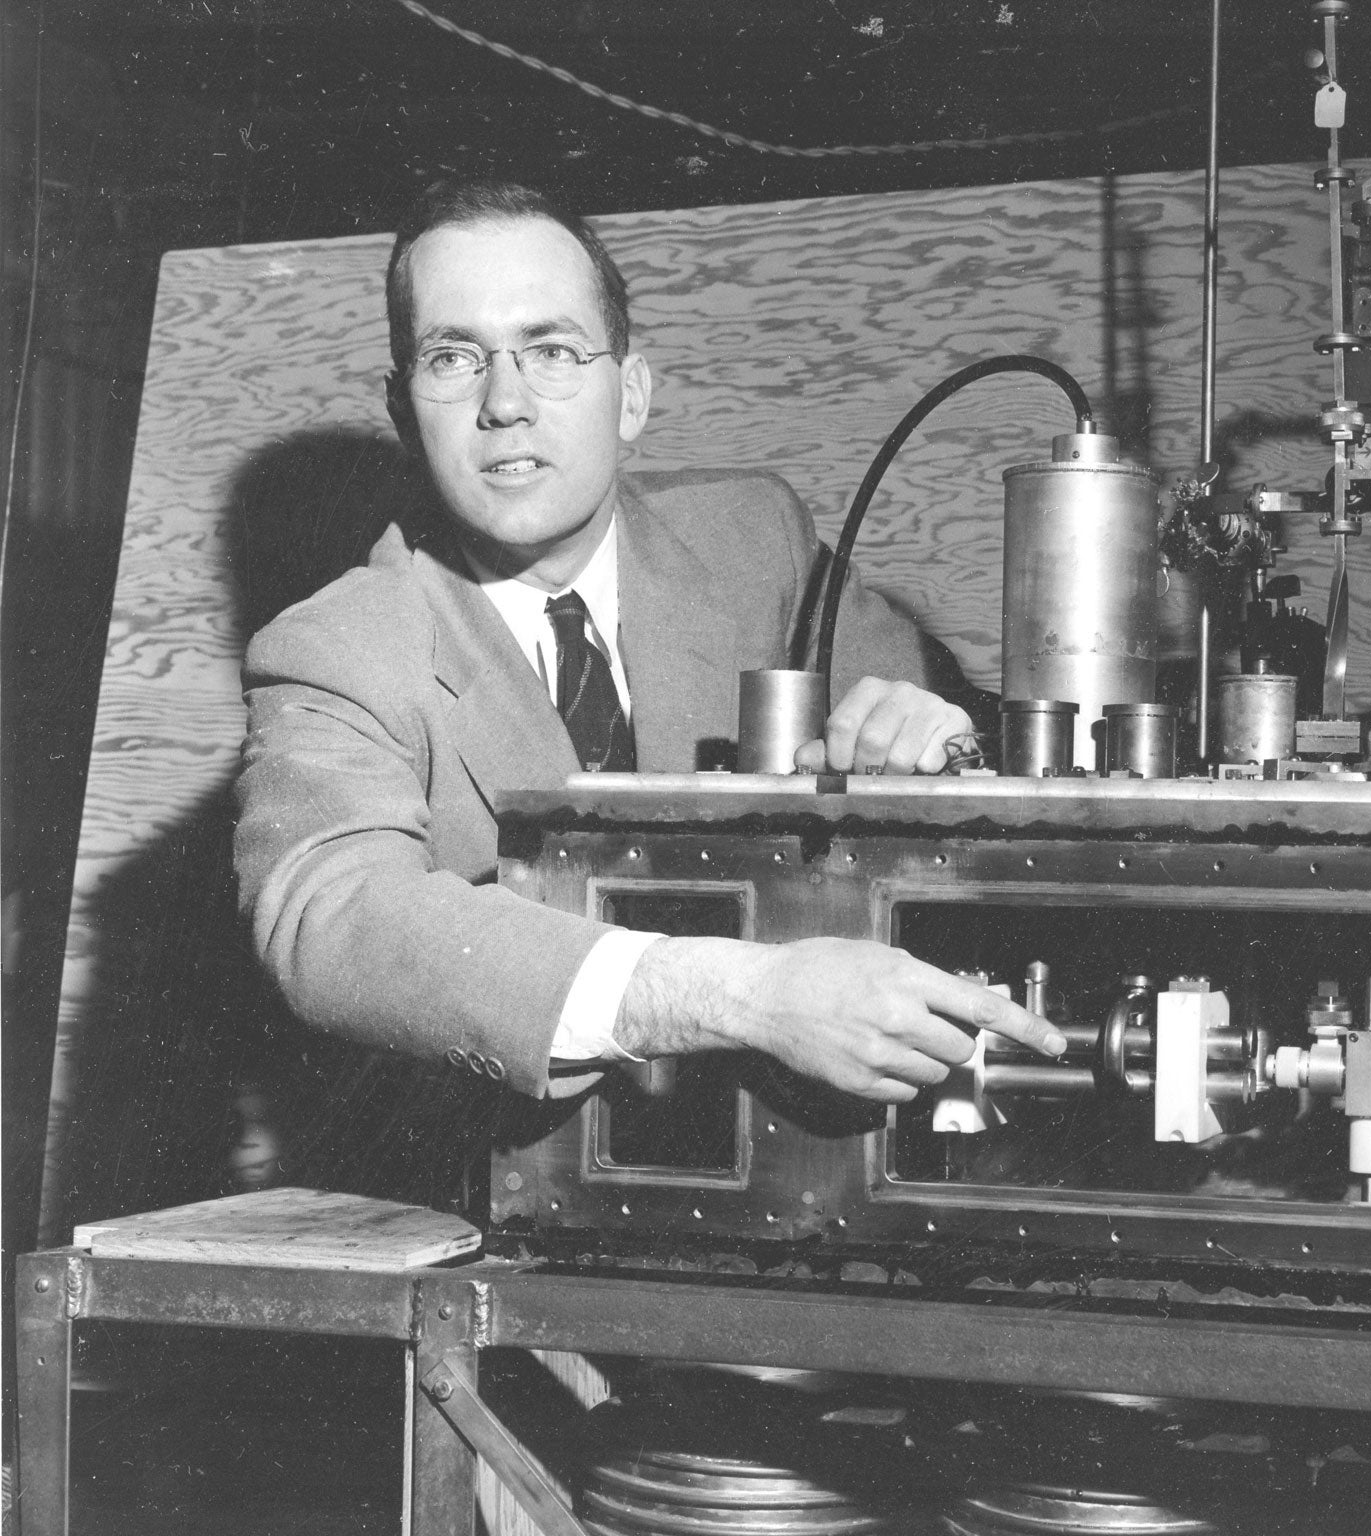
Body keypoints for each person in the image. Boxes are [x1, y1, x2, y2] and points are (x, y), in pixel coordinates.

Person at [234, 179, 1064, 1115]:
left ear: (629, 395)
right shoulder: (337, 646)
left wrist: (941, 746)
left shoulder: (757, 545)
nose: (504, 402)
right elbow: (330, 919)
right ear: (402, 411)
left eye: (551, 350)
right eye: (455, 357)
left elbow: (994, 773)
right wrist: (745, 996)